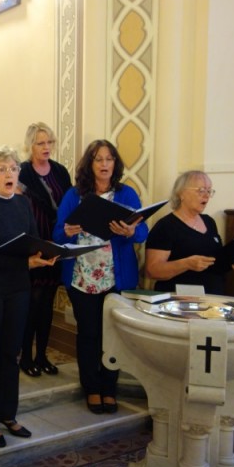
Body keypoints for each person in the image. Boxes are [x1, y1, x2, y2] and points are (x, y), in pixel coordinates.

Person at [0, 146, 57, 448]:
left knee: (11, 353)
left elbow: (31, 241)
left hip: (17, 288)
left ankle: (8, 414)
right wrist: (27, 262)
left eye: (13, 168)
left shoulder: (22, 203)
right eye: (2, 169)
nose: (9, 174)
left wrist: (47, 254)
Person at [52, 139, 148, 414]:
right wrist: (67, 232)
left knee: (113, 336)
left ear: (115, 164)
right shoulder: (74, 195)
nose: (104, 164)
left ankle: (109, 388)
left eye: (109, 159)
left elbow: (143, 233)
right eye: (98, 159)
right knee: (89, 333)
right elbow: (58, 233)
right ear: (89, 164)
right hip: (82, 276)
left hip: (116, 277)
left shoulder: (126, 194)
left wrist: (131, 232)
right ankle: (91, 388)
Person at [18, 122, 72, 377]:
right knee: (32, 303)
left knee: (48, 303)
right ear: (30, 146)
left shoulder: (60, 172)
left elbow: (69, 205)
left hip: (55, 242)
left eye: (49, 142)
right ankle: (26, 357)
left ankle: (42, 355)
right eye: (41, 143)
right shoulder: (22, 172)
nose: (46, 147)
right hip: (33, 244)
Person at [145, 170, 234, 295]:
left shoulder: (209, 222)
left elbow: (214, 260)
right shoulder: (165, 226)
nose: (206, 195)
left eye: (209, 191)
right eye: (201, 190)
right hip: (179, 301)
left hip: (213, 297)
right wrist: (186, 264)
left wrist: (230, 261)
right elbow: (152, 271)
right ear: (181, 193)